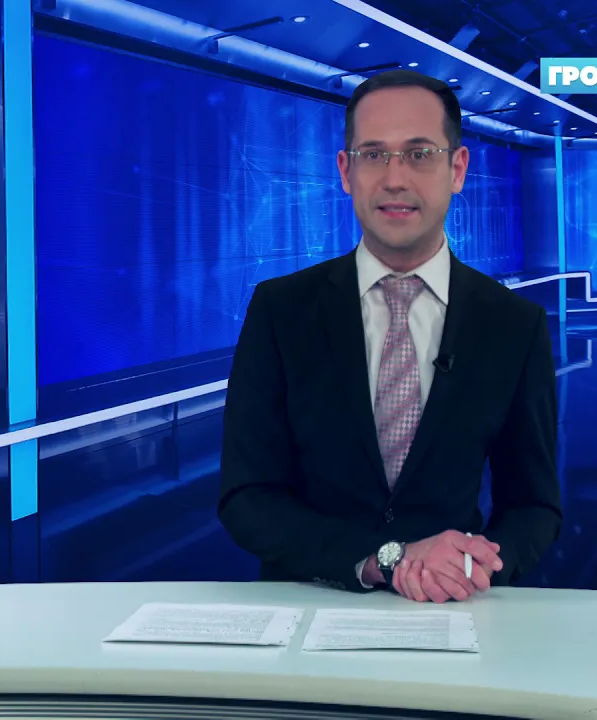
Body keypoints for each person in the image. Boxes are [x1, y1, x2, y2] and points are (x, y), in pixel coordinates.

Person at [217, 69, 562, 603]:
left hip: (450, 612)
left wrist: (467, 566)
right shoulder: (280, 310)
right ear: (345, 171)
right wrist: (387, 560)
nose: (395, 178)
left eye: (419, 154)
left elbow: (533, 507)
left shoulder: (514, 325)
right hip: (308, 605)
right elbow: (247, 495)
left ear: (457, 168)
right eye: (374, 154)